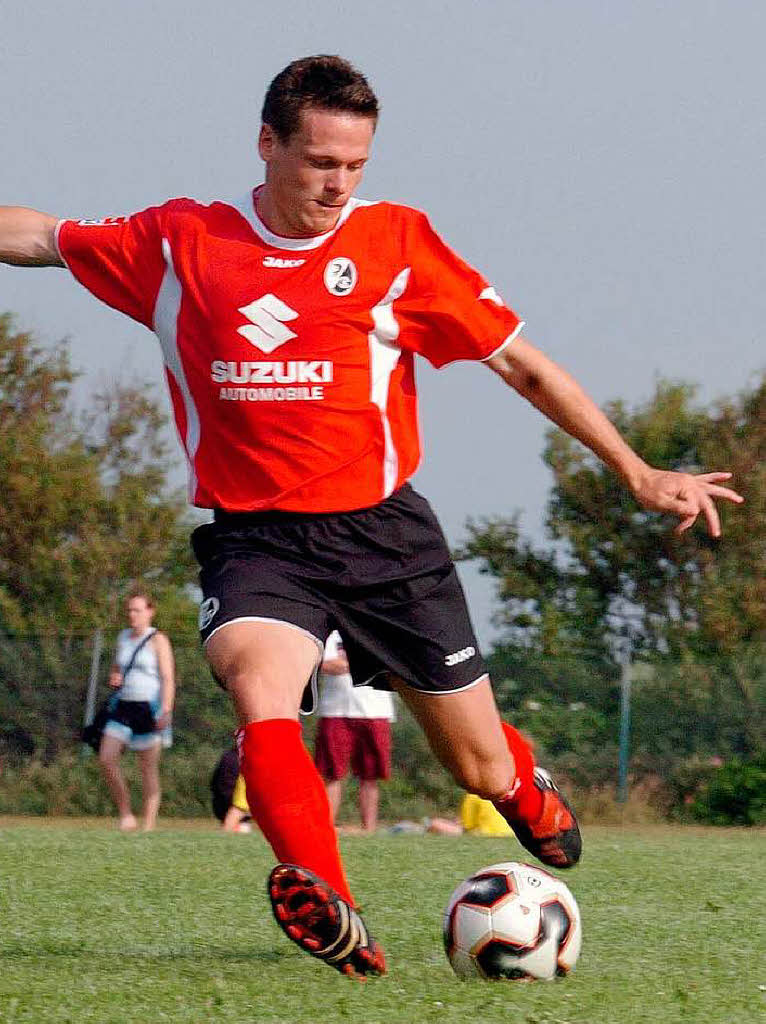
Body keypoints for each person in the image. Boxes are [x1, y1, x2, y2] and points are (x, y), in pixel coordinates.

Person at [0, 55, 743, 978]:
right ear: (266, 144)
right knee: (256, 689)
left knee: (474, 767)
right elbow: (41, 235)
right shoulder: (181, 243)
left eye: (355, 164)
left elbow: (522, 364)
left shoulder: (396, 246)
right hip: (256, 538)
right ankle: (328, 898)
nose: (337, 182)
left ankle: (522, 785)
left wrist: (636, 469)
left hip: (385, 537)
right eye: (318, 160)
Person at [99, 592, 175, 831]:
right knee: (107, 758)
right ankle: (126, 814)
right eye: (130, 610)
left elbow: (168, 677)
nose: (132, 615)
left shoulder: (158, 639)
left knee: (147, 767)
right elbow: (116, 668)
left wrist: (166, 710)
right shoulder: (123, 637)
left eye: (138, 610)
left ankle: (149, 825)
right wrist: (114, 677)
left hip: (149, 707)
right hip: (123, 705)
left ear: (150, 612)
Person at [315, 630, 395, 832]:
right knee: (332, 773)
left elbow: (390, 660)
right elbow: (323, 664)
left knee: (370, 776)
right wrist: (365, 663)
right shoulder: (330, 632)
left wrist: (347, 664)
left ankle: (369, 829)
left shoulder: (379, 626)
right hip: (335, 710)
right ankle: (326, 828)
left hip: (375, 710)